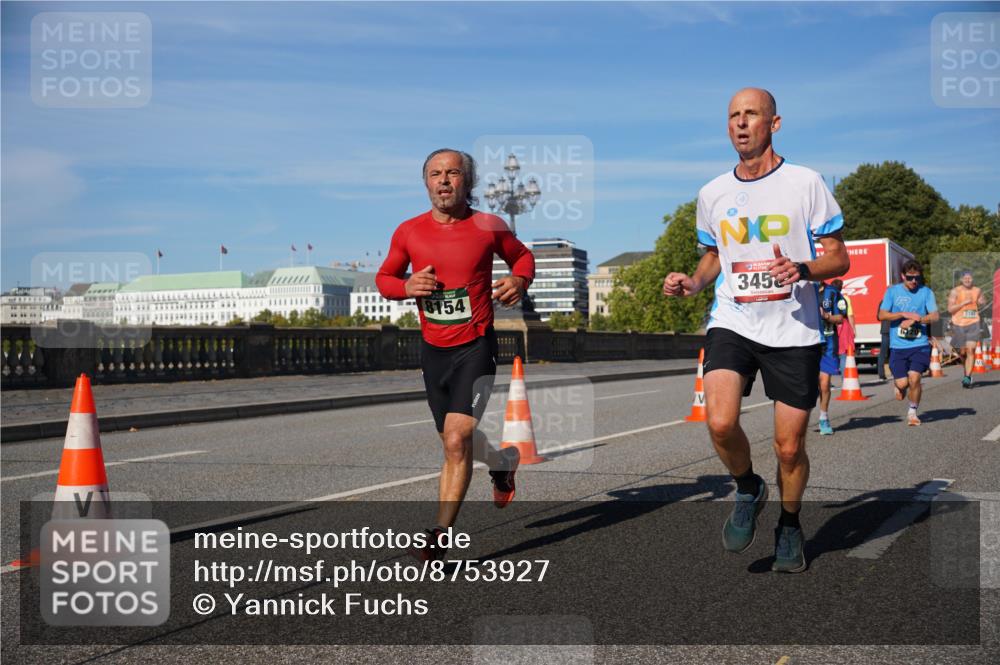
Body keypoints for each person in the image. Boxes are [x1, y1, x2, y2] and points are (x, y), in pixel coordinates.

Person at [663, 88, 849, 573]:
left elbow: (839, 257)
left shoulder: (805, 183)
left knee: (789, 448)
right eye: (733, 116)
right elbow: (713, 255)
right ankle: (748, 486)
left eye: (751, 114)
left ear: (774, 123)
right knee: (720, 422)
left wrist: (804, 269)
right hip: (734, 319)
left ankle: (789, 523)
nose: (741, 123)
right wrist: (694, 282)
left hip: (794, 330)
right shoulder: (712, 193)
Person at [377, 148, 535, 560]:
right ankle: (501, 463)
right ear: (426, 182)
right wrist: (405, 287)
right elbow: (385, 277)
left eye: (452, 173)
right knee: (454, 440)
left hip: (476, 346)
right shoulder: (408, 231)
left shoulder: (488, 226)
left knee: (455, 438)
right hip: (433, 352)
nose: (443, 180)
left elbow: (522, 257)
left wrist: (519, 280)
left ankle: (439, 535)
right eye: (435, 174)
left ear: (468, 181)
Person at [877, 259, 939, 426]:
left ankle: (912, 412)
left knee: (915, 377)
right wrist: (903, 314)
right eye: (910, 277)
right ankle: (899, 386)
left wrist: (917, 320)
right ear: (903, 276)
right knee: (903, 383)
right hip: (898, 346)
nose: (913, 281)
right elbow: (882, 315)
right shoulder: (892, 292)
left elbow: (935, 316)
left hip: (919, 344)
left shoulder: (926, 292)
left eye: (917, 278)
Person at [947, 270, 986, 388]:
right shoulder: (955, 291)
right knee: (963, 353)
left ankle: (968, 377)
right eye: (965, 278)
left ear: (973, 279)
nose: (968, 280)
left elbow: (983, 302)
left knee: (970, 350)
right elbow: (950, 309)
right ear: (961, 280)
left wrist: (982, 302)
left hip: (973, 323)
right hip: (958, 324)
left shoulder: (977, 290)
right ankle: (966, 372)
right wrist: (963, 303)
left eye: (970, 278)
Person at [818, 281, 846, 435]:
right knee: (809, 386)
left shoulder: (833, 292)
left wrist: (826, 316)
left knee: (824, 383)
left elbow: (840, 318)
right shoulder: (803, 291)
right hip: (807, 344)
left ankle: (823, 418)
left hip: (828, 343)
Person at [834, 279, 856, 377]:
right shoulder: (845, 298)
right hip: (844, 327)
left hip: (832, 326)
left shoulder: (829, 298)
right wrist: (853, 330)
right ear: (841, 288)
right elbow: (850, 315)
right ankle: (845, 379)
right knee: (844, 355)